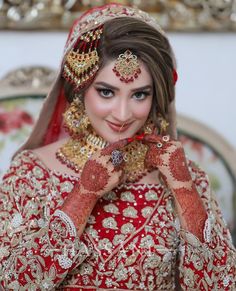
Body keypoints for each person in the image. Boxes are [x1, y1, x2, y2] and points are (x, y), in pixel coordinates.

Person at [0, 3, 235, 290]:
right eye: (107, 92)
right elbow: (11, 283)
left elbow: (220, 285)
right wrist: (82, 196)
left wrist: (184, 190)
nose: (123, 114)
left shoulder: (183, 177)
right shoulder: (31, 172)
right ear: (78, 88)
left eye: (139, 95)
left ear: (156, 97)